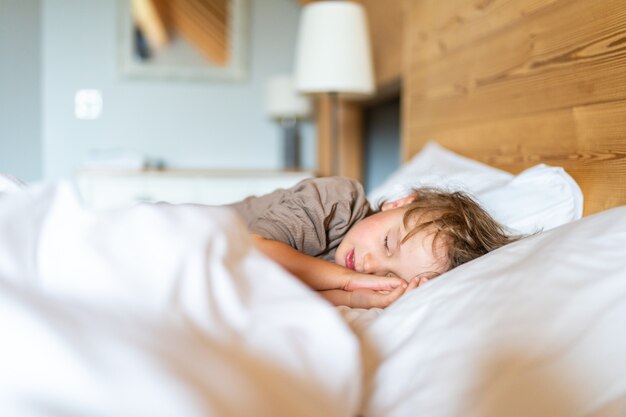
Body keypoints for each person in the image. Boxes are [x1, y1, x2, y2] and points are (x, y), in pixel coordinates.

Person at [228, 177, 518, 309]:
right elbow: (254, 250)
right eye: (388, 244)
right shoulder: (337, 202)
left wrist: (359, 299)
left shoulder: (354, 276)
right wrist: (348, 283)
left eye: (390, 276)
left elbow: (287, 292)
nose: (370, 267)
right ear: (398, 204)